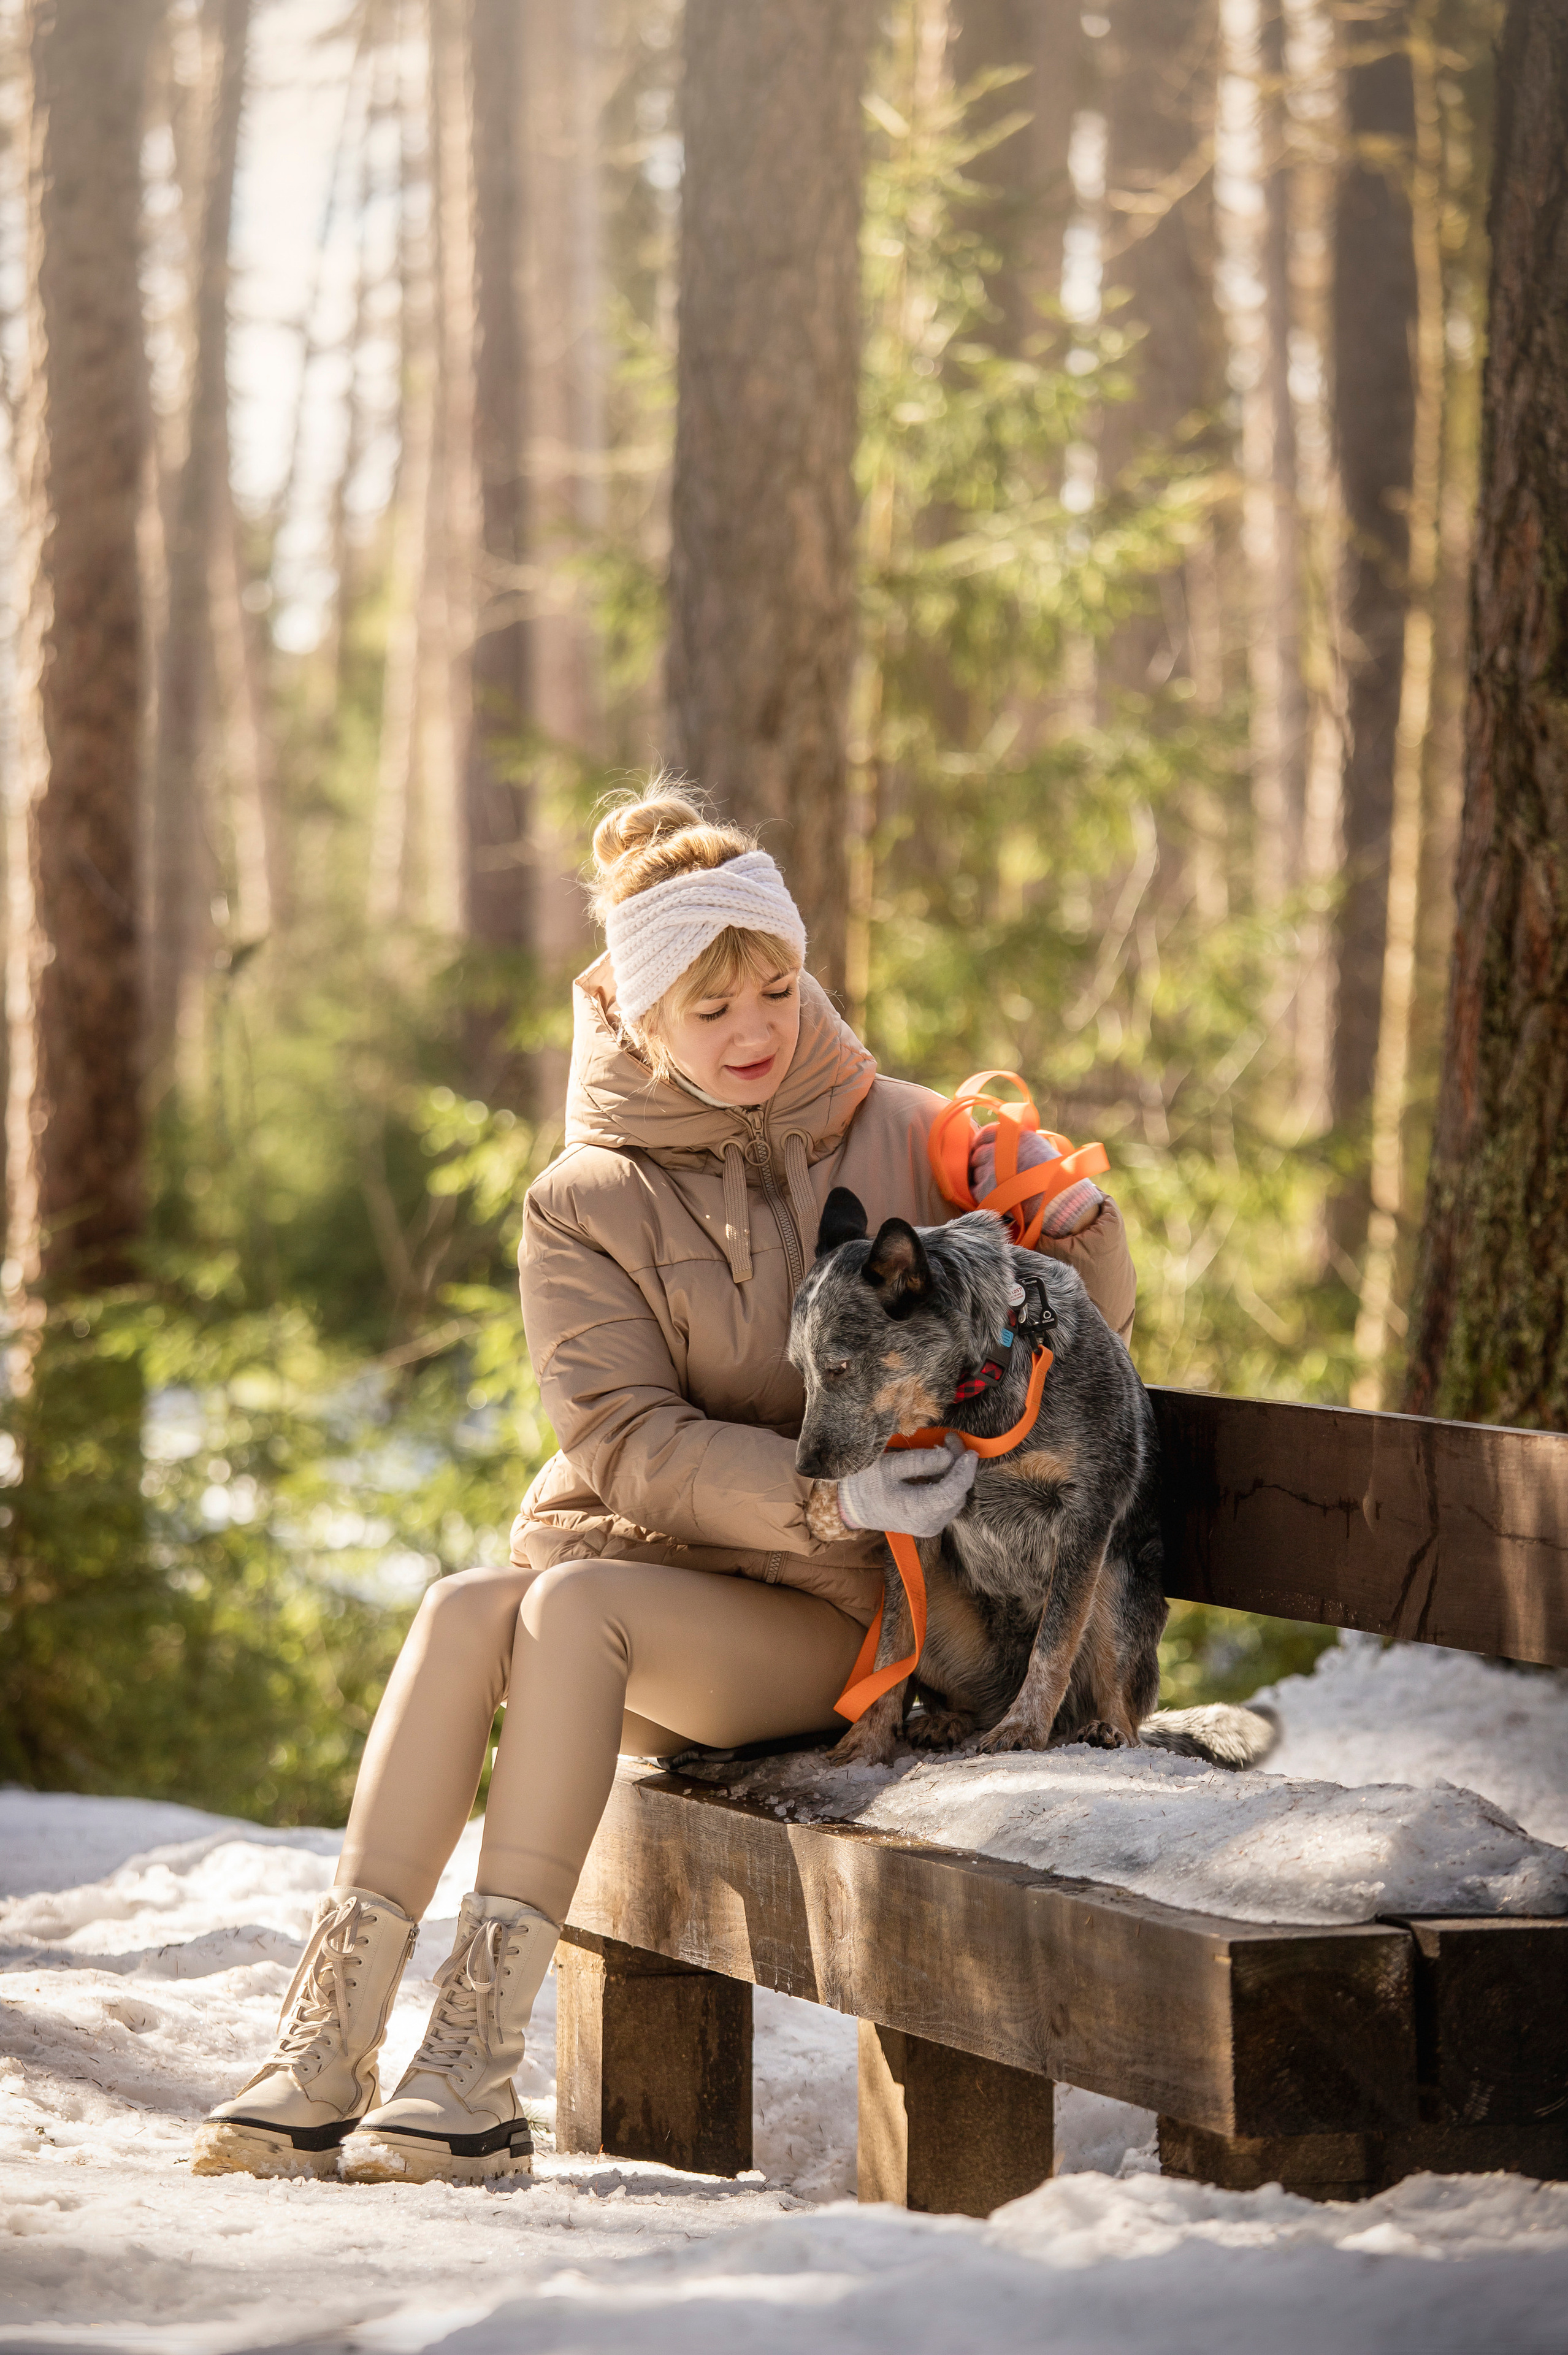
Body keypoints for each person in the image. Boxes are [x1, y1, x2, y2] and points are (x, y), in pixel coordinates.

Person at [194, 781, 1137, 2187]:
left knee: (568, 1616)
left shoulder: (916, 1132)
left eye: (773, 986)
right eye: (710, 1010)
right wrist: (827, 1490)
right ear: (637, 1019)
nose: (754, 1030)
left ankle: (468, 2074)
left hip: (859, 1615)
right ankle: (324, 2049)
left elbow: (1084, 1334)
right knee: (470, 1608)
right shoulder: (584, 1201)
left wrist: (1075, 1216)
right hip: (689, 1565)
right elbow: (620, 1440)